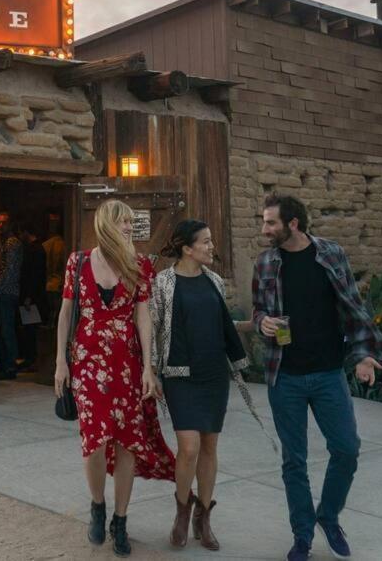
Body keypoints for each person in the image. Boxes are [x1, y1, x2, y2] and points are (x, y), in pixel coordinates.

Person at [252, 194, 382, 561]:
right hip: (286, 376)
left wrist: (362, 355)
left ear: (293, 223)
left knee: (346, 449)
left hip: (328, 374)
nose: (265, 230)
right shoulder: (266, 263)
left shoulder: (330, 254)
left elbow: (353, 306)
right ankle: (302, 536)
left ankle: (328, 517)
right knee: (294, 461)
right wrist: (262, 322)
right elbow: (259, 311)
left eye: (270, 223)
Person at [54, 199, 175, 557]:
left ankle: (120, 520)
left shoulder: (139, 265)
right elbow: (64, 315)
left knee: (127, 442)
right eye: (123, 222)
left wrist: (148, 369)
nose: (129, 228)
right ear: (106, 223)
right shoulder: (77, 262)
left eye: (131, 222)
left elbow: (143, 319)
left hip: (127, 362)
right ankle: (97, 505)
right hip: (88, 362)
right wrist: (61, 361)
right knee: (94, 440)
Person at [151, 219, 262, 552]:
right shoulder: (164, 282)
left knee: (210, 447)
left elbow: (223, 323)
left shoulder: (213, 280)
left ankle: (204, 516)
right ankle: (182, 512)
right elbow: (153, 326)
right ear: (187, 248)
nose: (212, 247)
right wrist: (152, 371)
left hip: (214, 375)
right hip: (180, 375)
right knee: (188, 448)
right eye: (206, 242)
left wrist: (252, 326)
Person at [0, 212, 23, 381]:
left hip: (6, 293)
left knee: (6, 330)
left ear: (9, 225)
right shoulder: (2, 242)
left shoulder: (12, 243)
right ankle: (3, 363)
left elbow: (10, 271)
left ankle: (10, 366)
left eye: (1, 223)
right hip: (1, 292)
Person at [18, 224, 48, 371]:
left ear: (26, 232)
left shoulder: (34, 250)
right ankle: (31, 359)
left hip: (32, 296)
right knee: (30, 328)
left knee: (31, 328)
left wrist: (29, 296)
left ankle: (32, 359)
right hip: (36, 294)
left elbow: (34, 276)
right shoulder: (38, 248)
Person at [43, 211, 67, 324]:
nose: (53, 225)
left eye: (55, 222)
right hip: (54, 283)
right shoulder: (52, 244)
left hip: (55, 283)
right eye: (51, 222)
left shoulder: (51, 244)